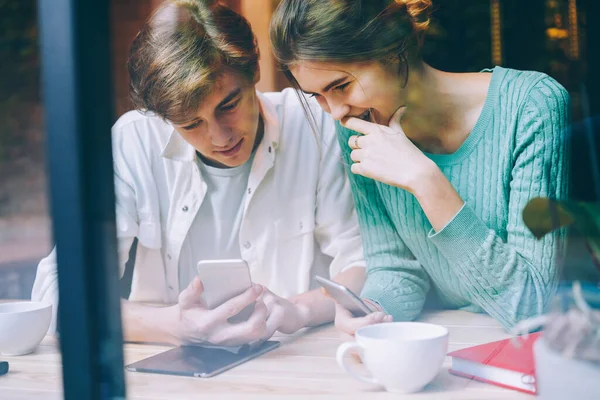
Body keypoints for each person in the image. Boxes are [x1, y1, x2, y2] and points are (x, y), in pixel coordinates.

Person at [32, 0, 369, 346]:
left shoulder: (313, 124)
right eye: (191, 124)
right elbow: (56, 292)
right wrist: (171, 325)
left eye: (229, 105)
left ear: (254, 71)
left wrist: (297, 310)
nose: (220, 137)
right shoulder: (135, 141)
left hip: (293, 356)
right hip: (166, 366)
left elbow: (364, 265)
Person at [270, 0, 570, 334]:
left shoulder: (530, 107)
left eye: (341, 86)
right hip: (443, 342)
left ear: (394, 49)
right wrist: (372, 310)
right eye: (317, 97)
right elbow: (395, 267)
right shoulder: (357, 125)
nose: (336, 112)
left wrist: (426, 181)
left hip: (524, 351)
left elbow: (531, 308)